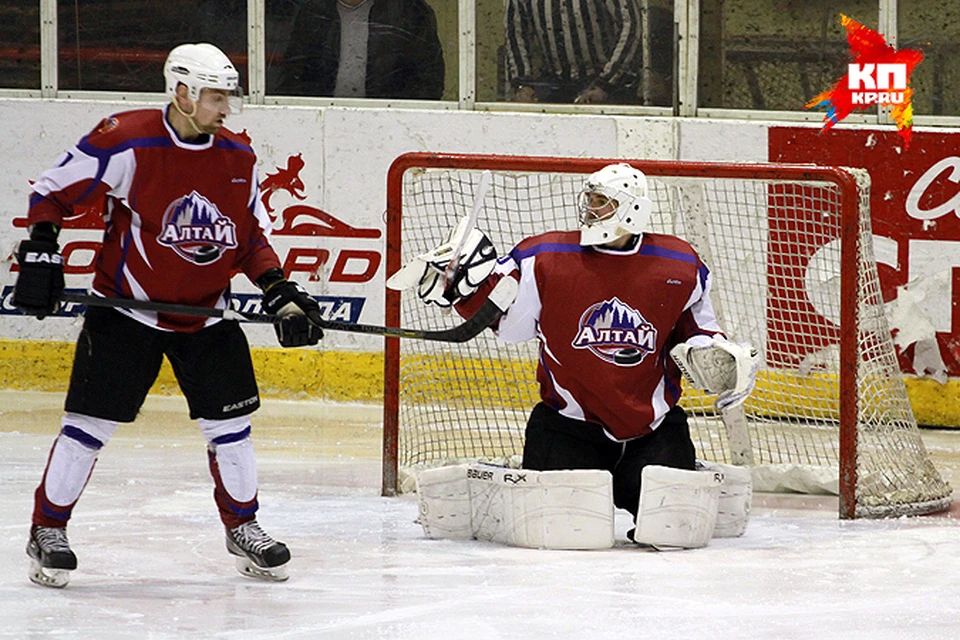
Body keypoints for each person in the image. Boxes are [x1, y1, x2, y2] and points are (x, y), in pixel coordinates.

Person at [13, 43, 323, 588]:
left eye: (227, 97)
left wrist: (280, 289)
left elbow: (249, 238)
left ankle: (243, 525)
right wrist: (42, 247)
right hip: (126, 312)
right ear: (180, 92)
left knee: (232, 428)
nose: (224, 108)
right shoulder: (126, 140)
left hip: (205, 316)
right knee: (88, 427)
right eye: (214, 96)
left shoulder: (237, 157)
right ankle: (48, 529)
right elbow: (53, 191)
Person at [407, 163, 757, 537]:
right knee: (558, 535)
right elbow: (510, 328)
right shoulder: (544, 257)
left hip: (652, 431)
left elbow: (699, 329)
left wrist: (714, 354)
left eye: (601, 201)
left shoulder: (680, 264)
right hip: (568, 428)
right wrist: (464, 294)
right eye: (588, 199)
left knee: (675, 531)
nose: (589, 209)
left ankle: (689, 475)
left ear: (632, 209)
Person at [276, 0, 444, 99]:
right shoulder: (313, 13)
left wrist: (397, 114)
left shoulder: (409, 12)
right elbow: (294, 75)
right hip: (323, 121)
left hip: (391, 124)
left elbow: (429, 78)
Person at [505, 0, 661, 105]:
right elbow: (515, 31)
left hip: (608, 84)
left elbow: (632, 26)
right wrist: (523, 85)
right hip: (553, 85)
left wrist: (607, 83)